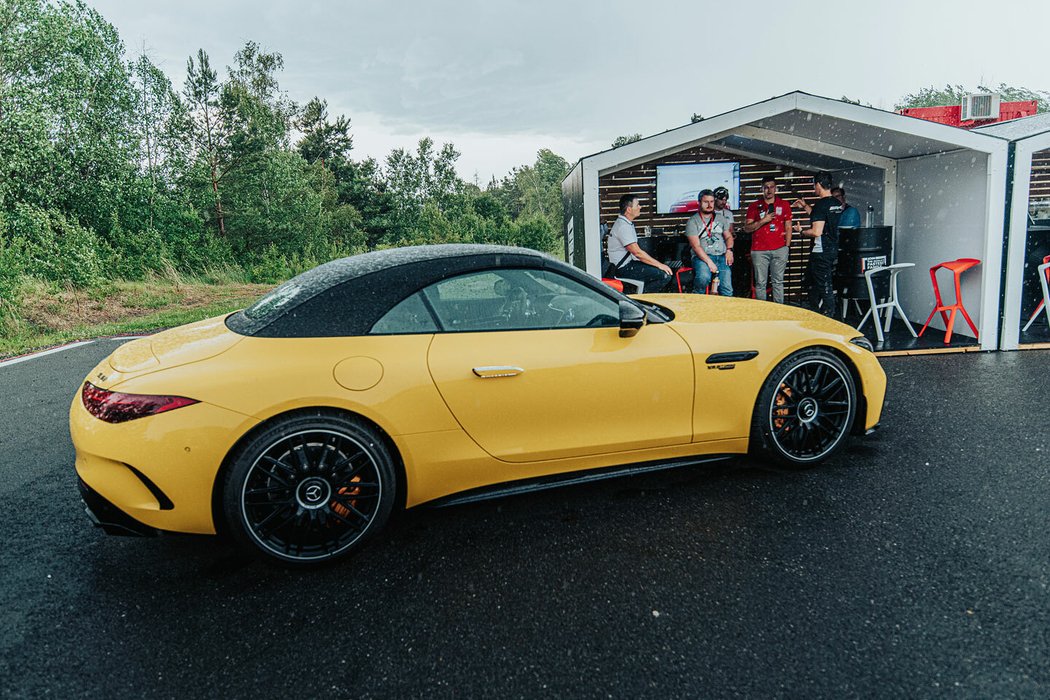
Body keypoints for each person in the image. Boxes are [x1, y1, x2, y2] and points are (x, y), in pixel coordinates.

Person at [793, 172, 843, 317]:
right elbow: (821, 217)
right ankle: (815, 313)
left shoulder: (821, 204)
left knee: (823, 285)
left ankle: (829, 316)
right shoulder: (836, 204)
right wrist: (805, 206)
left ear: (818, 185)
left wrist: (801, 231)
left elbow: (816, 231)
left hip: (820, 252)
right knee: (810, 281)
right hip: (832, 249)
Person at [606, 193, 672, 292]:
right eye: (637, 205)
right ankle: (642, 302)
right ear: (629, 209)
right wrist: (660, 265)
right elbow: (637, 253)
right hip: (623, 269)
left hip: (627, 265)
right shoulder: (623, 227)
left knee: (658, 272)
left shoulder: (625, 223)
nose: (640, 207)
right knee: (664, 276)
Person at [744, 176, 792, 303]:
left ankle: (779, 311)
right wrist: (763, 221)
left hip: (780, 249)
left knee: (778, 282)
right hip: (759, 250)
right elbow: (747, 228)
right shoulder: (754, 206)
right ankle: (763, 311)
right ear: (762, 189)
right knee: (760, 283)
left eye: (772, 187)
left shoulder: (784, 204)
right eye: (766, 187)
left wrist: (786, 246)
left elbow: (788, 227)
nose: (769, 190)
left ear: (776, 189)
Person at [685, 189, 733, 295]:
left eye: (711, 202)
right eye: (706, 202)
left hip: (721, 256)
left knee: (727, 288)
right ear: (699, 203)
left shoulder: (721, 219)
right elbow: (696, 246)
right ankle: (698, 303)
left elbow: (729, 237)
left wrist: (729, 250)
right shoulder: (693, 221)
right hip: (702, 257)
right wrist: (709, 262)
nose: (709, 205)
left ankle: (725, 311)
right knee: (703, 278)